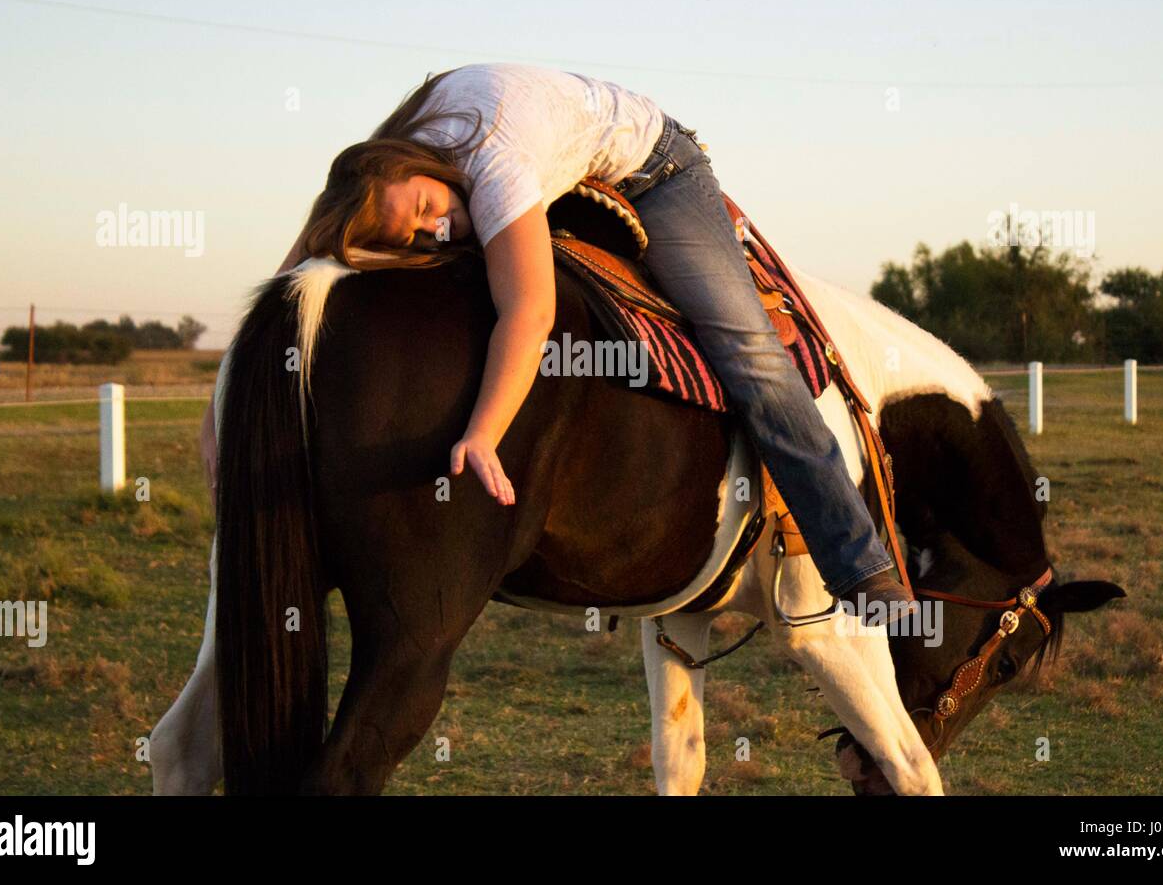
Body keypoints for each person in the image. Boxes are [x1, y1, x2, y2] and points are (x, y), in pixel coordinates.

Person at [198, 62, 914, 617]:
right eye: (411, 235)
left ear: (418, 167)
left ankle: (859, 563)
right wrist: (221, 413)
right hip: (555, 147)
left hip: (656, 170)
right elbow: (290, 283)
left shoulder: (493, 164)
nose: (432, 230)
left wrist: (484, 434)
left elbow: (530, 314)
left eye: (424, 207)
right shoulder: (376, 169)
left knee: (746, 347)